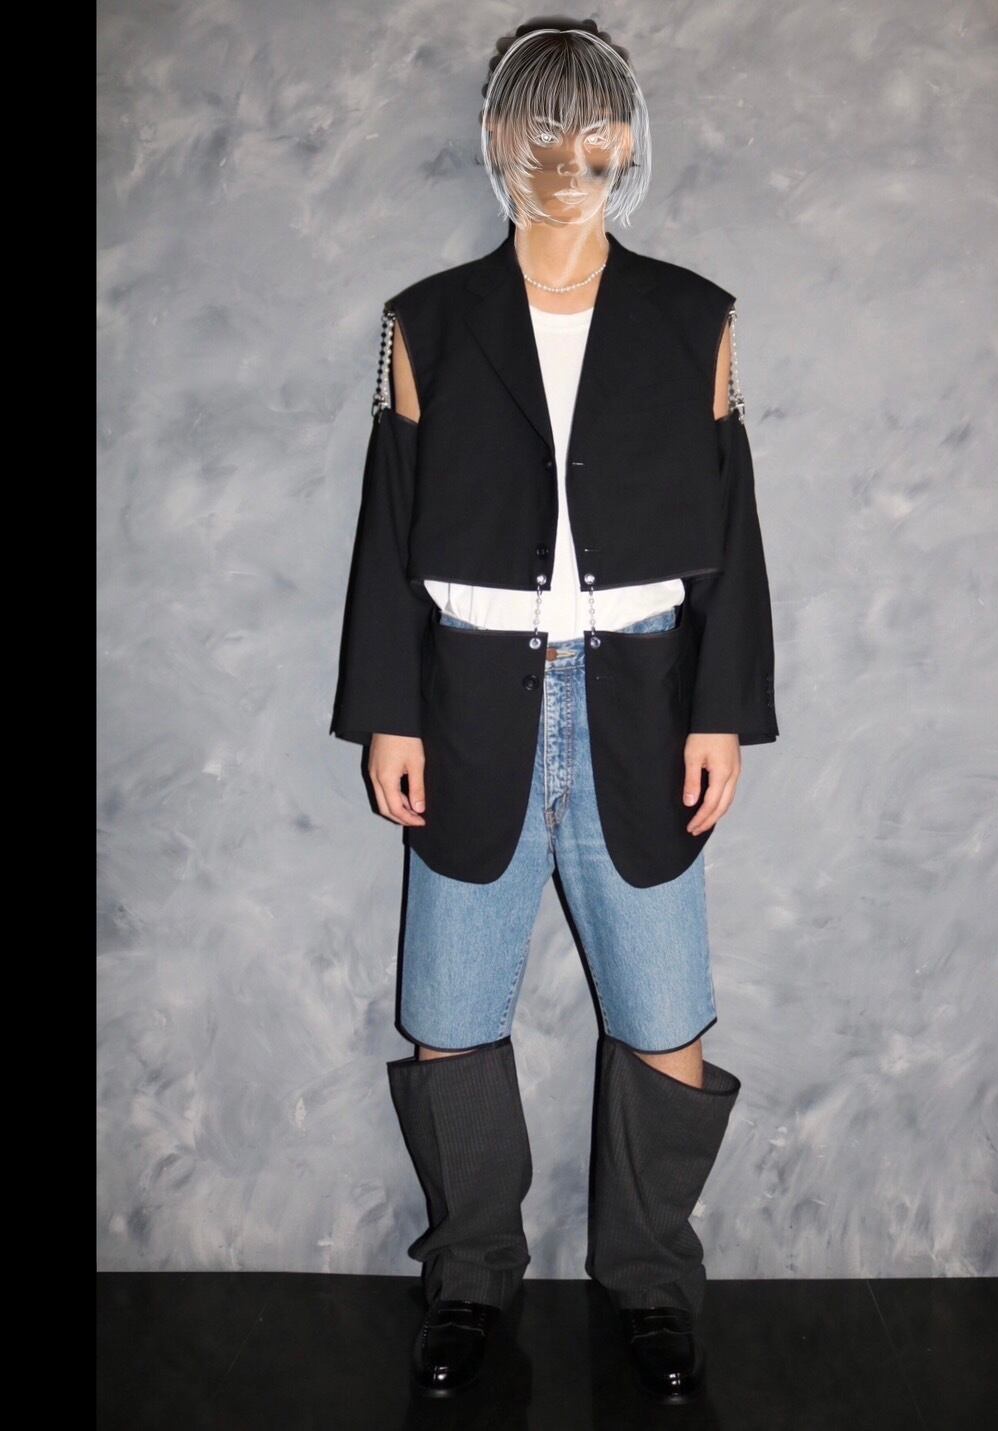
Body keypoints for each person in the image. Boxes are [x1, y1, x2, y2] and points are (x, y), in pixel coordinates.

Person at [330, 19, 779, 1405]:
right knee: (451, 1011)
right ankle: (471, 1277)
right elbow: (387, 529)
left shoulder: (694, 318)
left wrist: (721, 712)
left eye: (591, 130)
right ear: (495, 141)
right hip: (468, 702)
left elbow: (733, 529)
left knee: (664, 1014)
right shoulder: (427, 323)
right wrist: (391, 714)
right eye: (537, 128)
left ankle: (651, 1284)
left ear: (625, 142)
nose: (564, 157)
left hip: (643, 702)